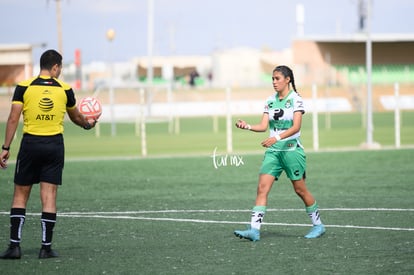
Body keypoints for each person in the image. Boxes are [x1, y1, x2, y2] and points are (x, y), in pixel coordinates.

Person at [0, 49, 96, 259]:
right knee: (49, 195)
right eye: (60, 67)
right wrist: (88, 125)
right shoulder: (65, 89)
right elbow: (77, 117)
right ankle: (46, 248)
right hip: (54, 145)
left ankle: (15, 247)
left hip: (30, 144)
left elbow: (13, 119)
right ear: (55, 67)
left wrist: (5, 148)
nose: (60, 71)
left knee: (20, 195)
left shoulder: (24, 87)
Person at [233, 65, 325, 241]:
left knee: (300, 190)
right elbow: (263, 126)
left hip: (292, 151)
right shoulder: (269, 100)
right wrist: (248, 126)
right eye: (272, 79)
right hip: (273, 153)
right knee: (262, 188)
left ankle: (318, 225)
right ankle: (254, 230)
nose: (274, 82)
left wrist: (277, 138)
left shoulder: (296, 99)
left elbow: (296, 127)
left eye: (277, 79)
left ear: (287, 79)